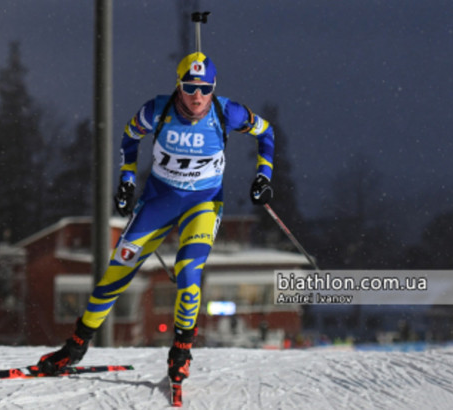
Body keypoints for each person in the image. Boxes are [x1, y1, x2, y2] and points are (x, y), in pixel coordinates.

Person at [37, 52, 275, 385]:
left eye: (205, 88)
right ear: (178, 85)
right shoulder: (156, 111)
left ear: (214, 87)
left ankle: (180, 353)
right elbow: (129, 137)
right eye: (190, 87)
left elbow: (266, 133)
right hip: (160, 200)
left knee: (188, 271)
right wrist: (127, 180)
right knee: (117, 270)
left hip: (202, 203)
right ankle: (74, 348)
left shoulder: (227, 112)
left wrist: (264, 176)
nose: (197, 96)